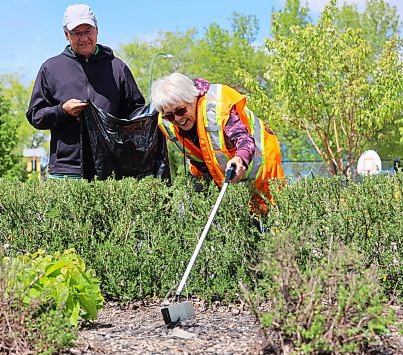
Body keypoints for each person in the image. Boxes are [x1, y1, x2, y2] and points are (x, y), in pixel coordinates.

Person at [26, 3, 145, 180]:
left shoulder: (117, 67)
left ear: (97, 30)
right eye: (77, 33)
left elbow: (137, 112)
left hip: (110, 170)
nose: (84, 38)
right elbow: (35, 116)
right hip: (66, 171)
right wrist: (62, 111)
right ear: (67, 35)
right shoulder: (51, 68)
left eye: (88, 31)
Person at [151, 72, 284, 214]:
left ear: (193, 99)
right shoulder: (168, 124)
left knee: (271, 216)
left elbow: (244, 139)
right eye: (170, 116)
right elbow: (198, 156)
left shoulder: (217, 108)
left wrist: (239, 160)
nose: (177, 119)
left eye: (181, 110)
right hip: (226, 180)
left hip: (261, 168)